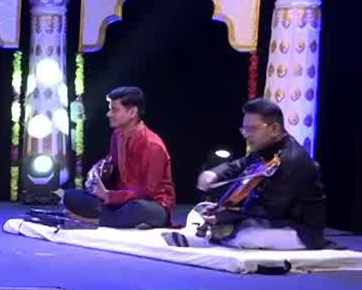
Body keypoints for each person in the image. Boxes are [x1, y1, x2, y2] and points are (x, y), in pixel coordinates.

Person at [183, 98, 327, 250]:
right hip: (267, 221)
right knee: (202, 208)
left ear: (274, 129)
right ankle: (208, 234)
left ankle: (207, 236)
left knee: (247, 236)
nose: (246, 135)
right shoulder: (265, 149)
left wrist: (223, 216)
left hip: (297, 230)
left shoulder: (293, 160)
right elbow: (238, 165)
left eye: (252, 129)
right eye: (244, 129)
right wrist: (213, 174)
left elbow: (271, 209)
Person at [62, 86, 175, 229]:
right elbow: (111, 162)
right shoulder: (117, 135)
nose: (109, 114)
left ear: (132, 112)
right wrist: (97, 171)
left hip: (152, 205)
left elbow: (147, 192)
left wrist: (109, 196)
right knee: (71, 196)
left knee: (138, 209)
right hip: (119, 203)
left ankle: (91, 220)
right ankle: (110, 220)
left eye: (114, 110)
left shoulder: (153, 145)